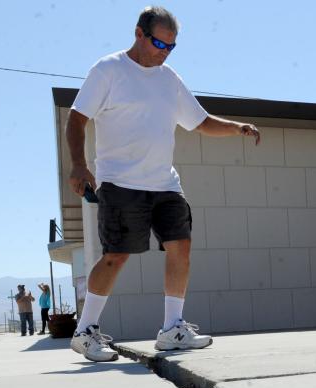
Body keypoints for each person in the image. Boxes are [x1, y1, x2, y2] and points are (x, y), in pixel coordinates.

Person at [66, 5, 261, 362]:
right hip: (120, 182)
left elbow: (199, 121)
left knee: (180, 246)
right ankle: (84, 330)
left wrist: (236, 127)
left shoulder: (169, 78)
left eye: (171, 46)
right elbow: (76, 120)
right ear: (138, 34)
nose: (164, 51)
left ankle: (172, 328)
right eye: (158, 43)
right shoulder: (108, 70)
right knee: (116, 255)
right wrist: (79, 165)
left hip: (165, 184)